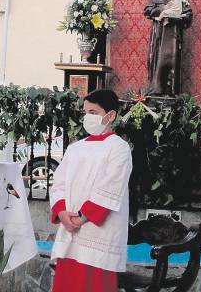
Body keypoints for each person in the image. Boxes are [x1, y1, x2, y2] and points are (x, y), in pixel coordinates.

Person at [49, 89, 133, 292]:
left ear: (110, 115)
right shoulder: (75, 148)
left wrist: (81, 217)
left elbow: (111, 186)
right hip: (71, 231)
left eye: (93, 113)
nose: (87, 117)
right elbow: (58, 183)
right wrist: (62, 212)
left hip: (98, 232)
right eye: (85, 112)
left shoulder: (118, 148)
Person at [143, 0, 193, 95]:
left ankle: (172, 92)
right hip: (160, 33)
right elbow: (147, 10)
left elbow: (188, 14)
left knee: (172, 60)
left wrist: (181, 17)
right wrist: (162, 9)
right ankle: (156, 89)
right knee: (158, 59)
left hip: (174, 34)